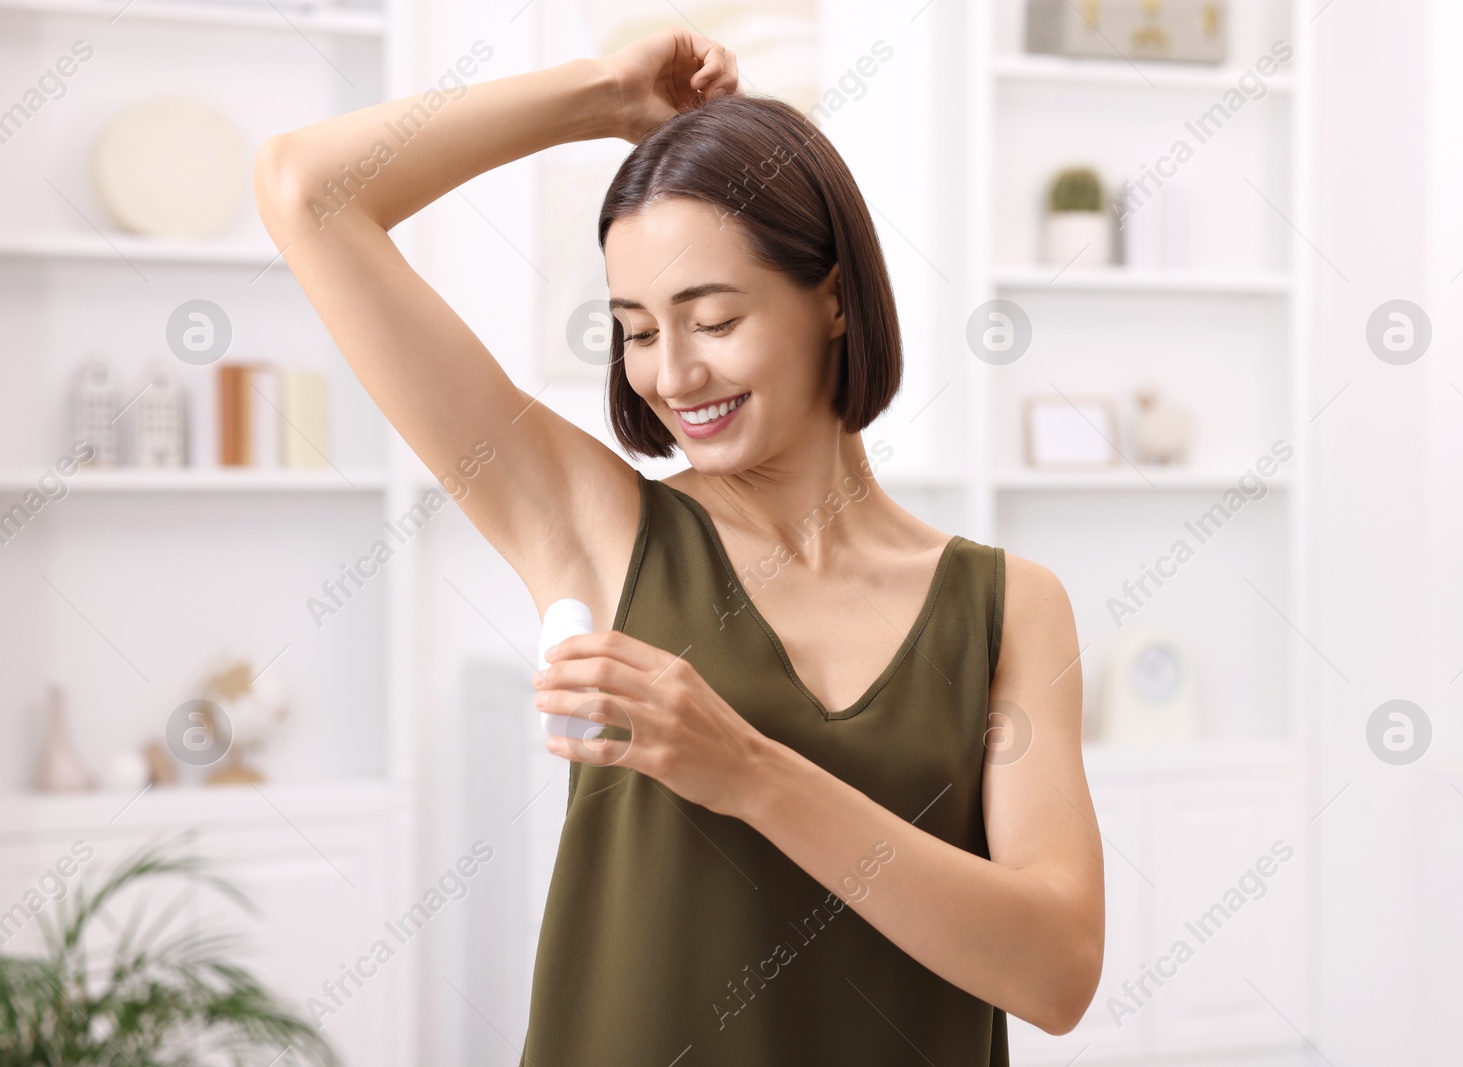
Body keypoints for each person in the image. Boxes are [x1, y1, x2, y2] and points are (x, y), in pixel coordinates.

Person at [255, 27, 1104, 1065]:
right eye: (637, 330)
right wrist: (602, 96)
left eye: (710, 318)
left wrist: (748, 769)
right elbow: (306, 189)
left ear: (832, 296)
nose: (674, 375)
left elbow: (1056, 970)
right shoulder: (600, 529)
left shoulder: (1009, 604)